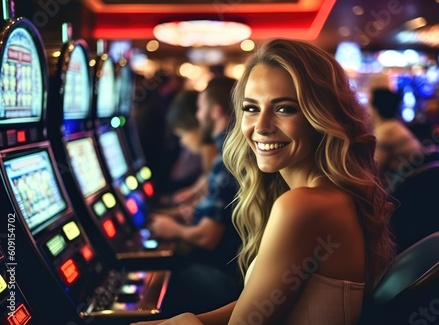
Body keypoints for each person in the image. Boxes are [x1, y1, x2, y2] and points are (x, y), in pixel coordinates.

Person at [133, 38, 395, 325]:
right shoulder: (320, 195)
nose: (261, 126)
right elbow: (258, 304)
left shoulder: (304, 205)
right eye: (251, 108)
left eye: (284, 109)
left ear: (321, 116)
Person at [147, 76, 242, 317]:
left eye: (200, 109)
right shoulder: (229, 151)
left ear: (215, 111)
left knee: (162, 283)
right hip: (237, 270)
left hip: (229, 275)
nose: (198, 117)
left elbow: (208, 237)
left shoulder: (226, 157)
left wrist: (173, 229)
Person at [368, 87, 426, 192]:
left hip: (398, 192)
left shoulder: (386, 132)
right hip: (410, 186)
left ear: (375, 109)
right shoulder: (395, 125)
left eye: (368, 105)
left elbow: (373, 170)